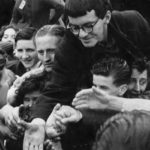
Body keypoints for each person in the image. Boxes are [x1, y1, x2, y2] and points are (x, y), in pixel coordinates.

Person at [19, 0, 150, 149]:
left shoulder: (132, 23)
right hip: (99, 112)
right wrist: (38, 122)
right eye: (75, 27)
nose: (81, 34)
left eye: (88, 26)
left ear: (106, 17)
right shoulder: (70, 43)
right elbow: (55, 90)